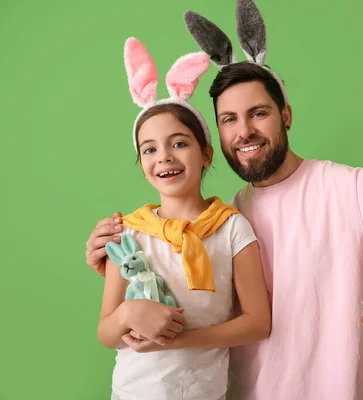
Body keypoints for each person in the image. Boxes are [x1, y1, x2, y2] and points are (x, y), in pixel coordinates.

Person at [86, 2, 363, 399]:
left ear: (286, 114)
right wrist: (116, 257)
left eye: (258, 113)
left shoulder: (350, 189)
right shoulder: (224, 218)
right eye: (229, 119)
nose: (244, 131)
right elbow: (173, 294)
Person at [97, 37, 271, 400]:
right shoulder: (127, 232)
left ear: (206, 155)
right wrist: (129, 312)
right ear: (143, 164)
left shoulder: (233, 227)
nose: (164, 157)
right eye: (150, 149)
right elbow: (106, 332)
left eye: (179, 143)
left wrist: (177, 341)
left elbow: (257, 323)